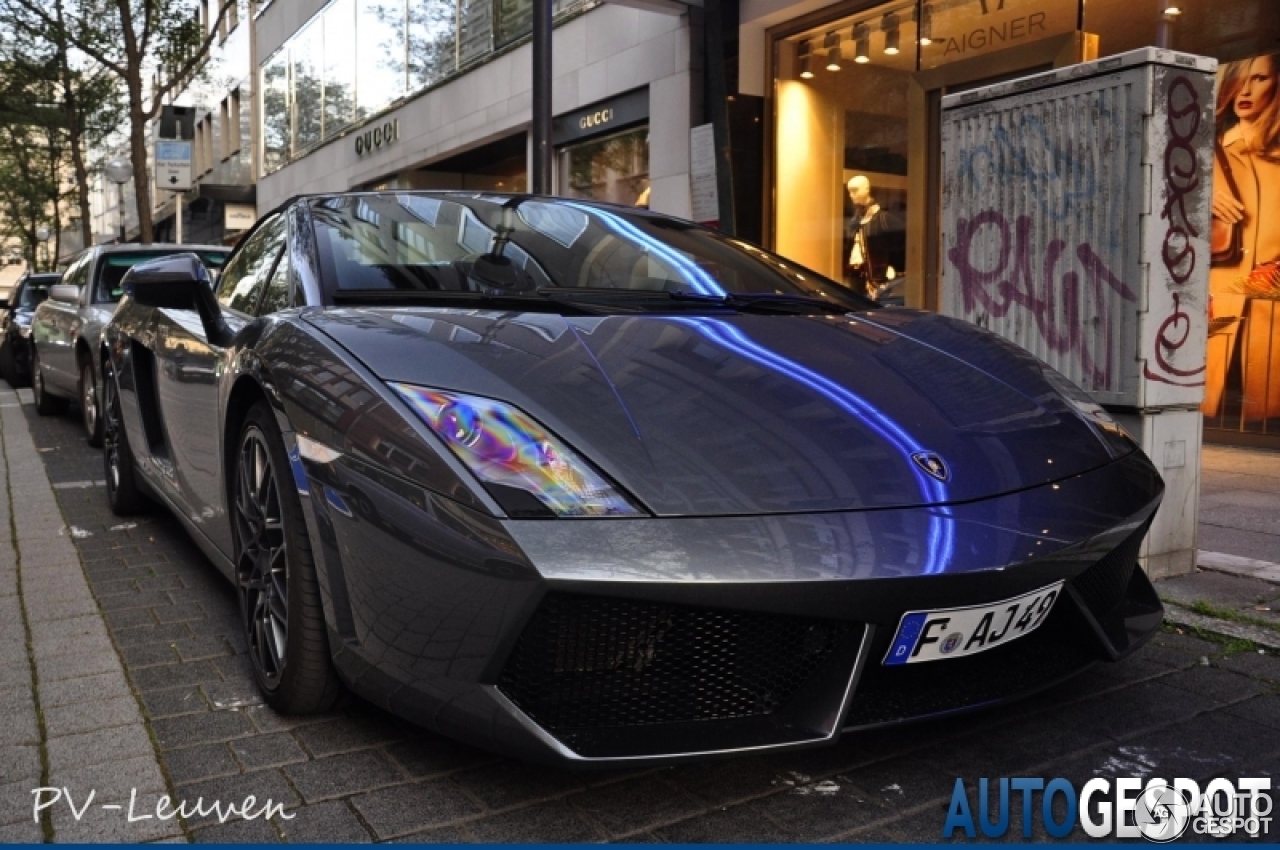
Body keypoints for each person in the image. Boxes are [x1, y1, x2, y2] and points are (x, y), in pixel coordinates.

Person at [1205, 53, 1280, 421]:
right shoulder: (1207, 155)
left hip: (1270, 299)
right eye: (1240, 79)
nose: (1245, 90)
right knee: (1213, 395)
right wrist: (1200, 197)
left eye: (1260, 79)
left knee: (1262, 400)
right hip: (1220, 292)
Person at [844, 175, 900, 297]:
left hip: (877, 279)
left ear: (866, 189)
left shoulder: (883, 219)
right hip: (855, 275)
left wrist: (890, 271)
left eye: (855, 190)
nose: (851, 195)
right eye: (850, 191)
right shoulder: (855, 221)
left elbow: (898, 247)